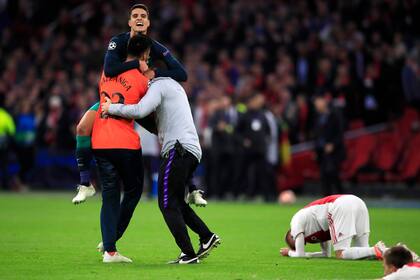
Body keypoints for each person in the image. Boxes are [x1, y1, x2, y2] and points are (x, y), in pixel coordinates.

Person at [72, 3, 206, 206]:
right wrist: (138, 64)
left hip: (138, 98)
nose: (139, 18)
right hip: (113, 97)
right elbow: (109, 70)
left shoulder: (156, 47)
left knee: (168, 136)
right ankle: (85, 183)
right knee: (82, 127)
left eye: (143, 15)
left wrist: (155, 73)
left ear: (148, 21)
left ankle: (193, 187)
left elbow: (182, 74)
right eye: (135, 15)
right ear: (130, 21)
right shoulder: (118, 41)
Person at [102, 76, 220, 264]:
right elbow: (155, 125)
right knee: (175, 202)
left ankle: (188, 254)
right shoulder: (175, 87)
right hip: (189, 150)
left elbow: (140, 110)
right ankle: (206, 237)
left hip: (177, 150)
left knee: (166, 204)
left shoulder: (159, 84)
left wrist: (112, 108)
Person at [92, 34, 150, 263]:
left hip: (100, 141)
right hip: (125, 143)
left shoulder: (106, 73)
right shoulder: (142, 80)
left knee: (109, 195)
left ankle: (109, 250)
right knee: (134, 190)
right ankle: (112, 239)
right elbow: (146, 111)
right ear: (145, 54)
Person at [280, 194, 387, 260]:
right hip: (357, 202)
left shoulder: (295, 223)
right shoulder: (313, 228)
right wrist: (301, 253)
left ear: (292, 234)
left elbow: (300, 255)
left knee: (341, 253)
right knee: (363, 251)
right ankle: (391, 251)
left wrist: (289, 252)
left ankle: (375, 250)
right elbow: (325, 254)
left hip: (340, 205)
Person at [313, 92, 346, 196]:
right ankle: (326, 201)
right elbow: (316, 136)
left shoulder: (334, 115)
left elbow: (340, 133)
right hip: (322, 152)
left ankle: (341, 199)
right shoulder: (317, 117)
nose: (317, 105)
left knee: (333, 175)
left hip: (334, 153)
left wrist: (333, 144)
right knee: (324, 177)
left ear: (324, 102)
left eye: (318, 102)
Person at [0, 100, 15, 190]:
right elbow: (12, 130)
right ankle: (5, 184)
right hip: (3, 145)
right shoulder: (6, 116)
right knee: (4, 164)